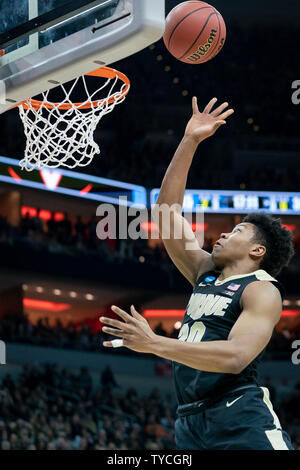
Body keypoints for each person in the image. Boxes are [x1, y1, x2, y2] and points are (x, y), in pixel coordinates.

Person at [100, 97, 295, 450]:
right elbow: (166, 214)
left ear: (257, 251)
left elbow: (236, 356)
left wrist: (154, 344)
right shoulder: (205, 270)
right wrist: (189, 141)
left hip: (239, 417)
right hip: (189, 422)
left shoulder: (261, 290)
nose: (222, 234)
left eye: (236, 231)